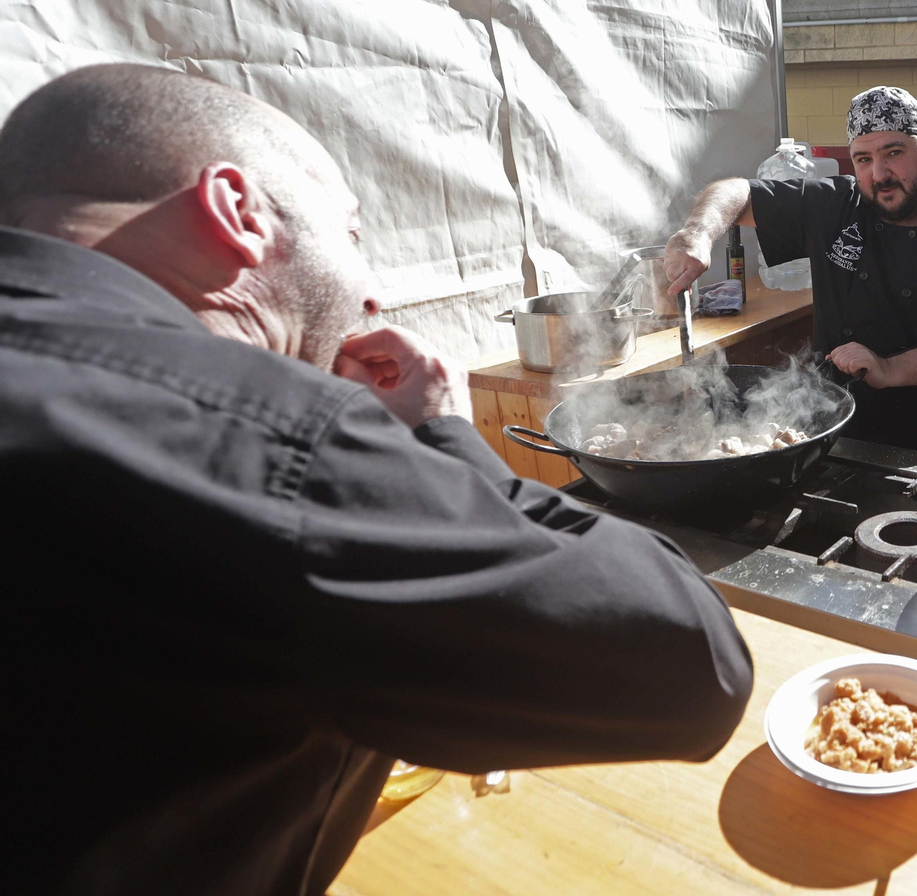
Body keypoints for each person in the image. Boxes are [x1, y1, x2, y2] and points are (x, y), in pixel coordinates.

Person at [0, 64, 753, 896]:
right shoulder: (265, 444)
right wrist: (439, 434)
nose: (371, 296)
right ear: (237, 213)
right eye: (351, 236)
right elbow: (698, 663)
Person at [664, 86, 917, 459]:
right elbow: (735, 191)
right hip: (840, 426)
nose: (879, 174)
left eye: (893, 153)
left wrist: (888, 368)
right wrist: (699, 233)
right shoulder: (833, 204)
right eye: (863, 159)